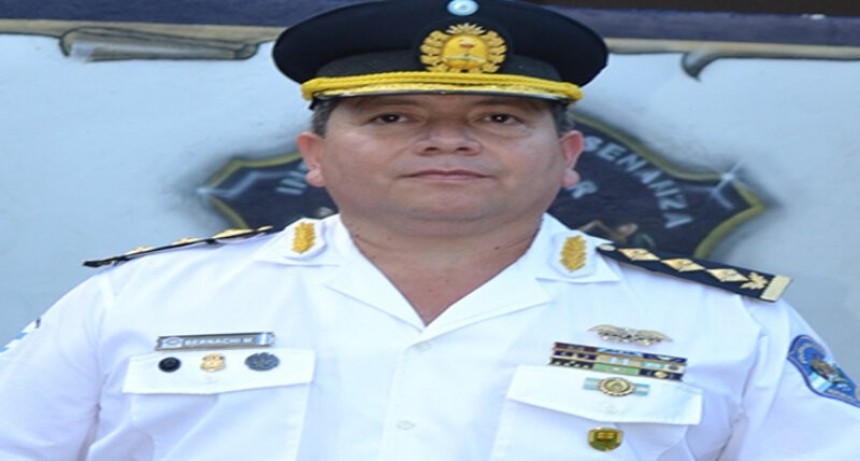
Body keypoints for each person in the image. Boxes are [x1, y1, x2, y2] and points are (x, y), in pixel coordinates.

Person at [1, 0, 858, 459]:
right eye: (393, 117)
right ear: (315, 155)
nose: (447, 140)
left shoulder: (726, 326)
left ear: (568, 156)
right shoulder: (136, 303)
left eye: (496, 117)